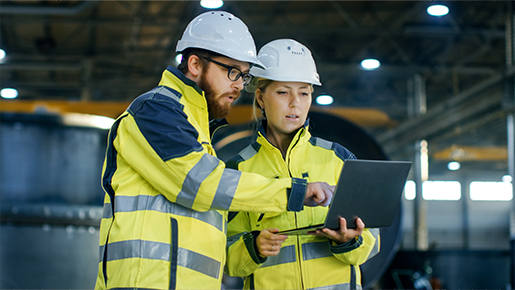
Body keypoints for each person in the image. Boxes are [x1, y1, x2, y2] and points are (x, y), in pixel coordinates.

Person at [94, 12, 335, 290]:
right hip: (147, 283)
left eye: (243, 76)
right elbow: (200, 183)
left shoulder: (197, 127)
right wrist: (293, 191)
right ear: (195, 64)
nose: (238, 85)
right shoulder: (155, 112)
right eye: (231, 71)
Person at [225, 39, 380, 289]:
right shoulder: (238, 170)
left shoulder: (339, 159)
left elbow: (370, 243)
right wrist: (253, 247)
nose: (295, 103)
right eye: (283, 92)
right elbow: (225, 255)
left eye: (304, 93)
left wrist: (348, 240)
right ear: (261, 98)